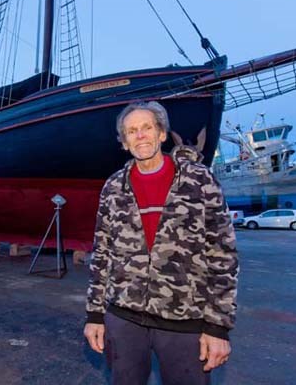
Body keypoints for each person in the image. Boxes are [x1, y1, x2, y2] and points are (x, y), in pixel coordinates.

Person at [84, 101, 238, 385]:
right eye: (132, 131)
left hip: (185, 321)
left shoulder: (199, 180)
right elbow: (102, 253)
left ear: (162, 134)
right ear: (124, 141)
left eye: (146, 128)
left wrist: (218, 327)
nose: (140, 136)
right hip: (124, 319)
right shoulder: (113, 187)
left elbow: (223, 256)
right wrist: (95, 315)